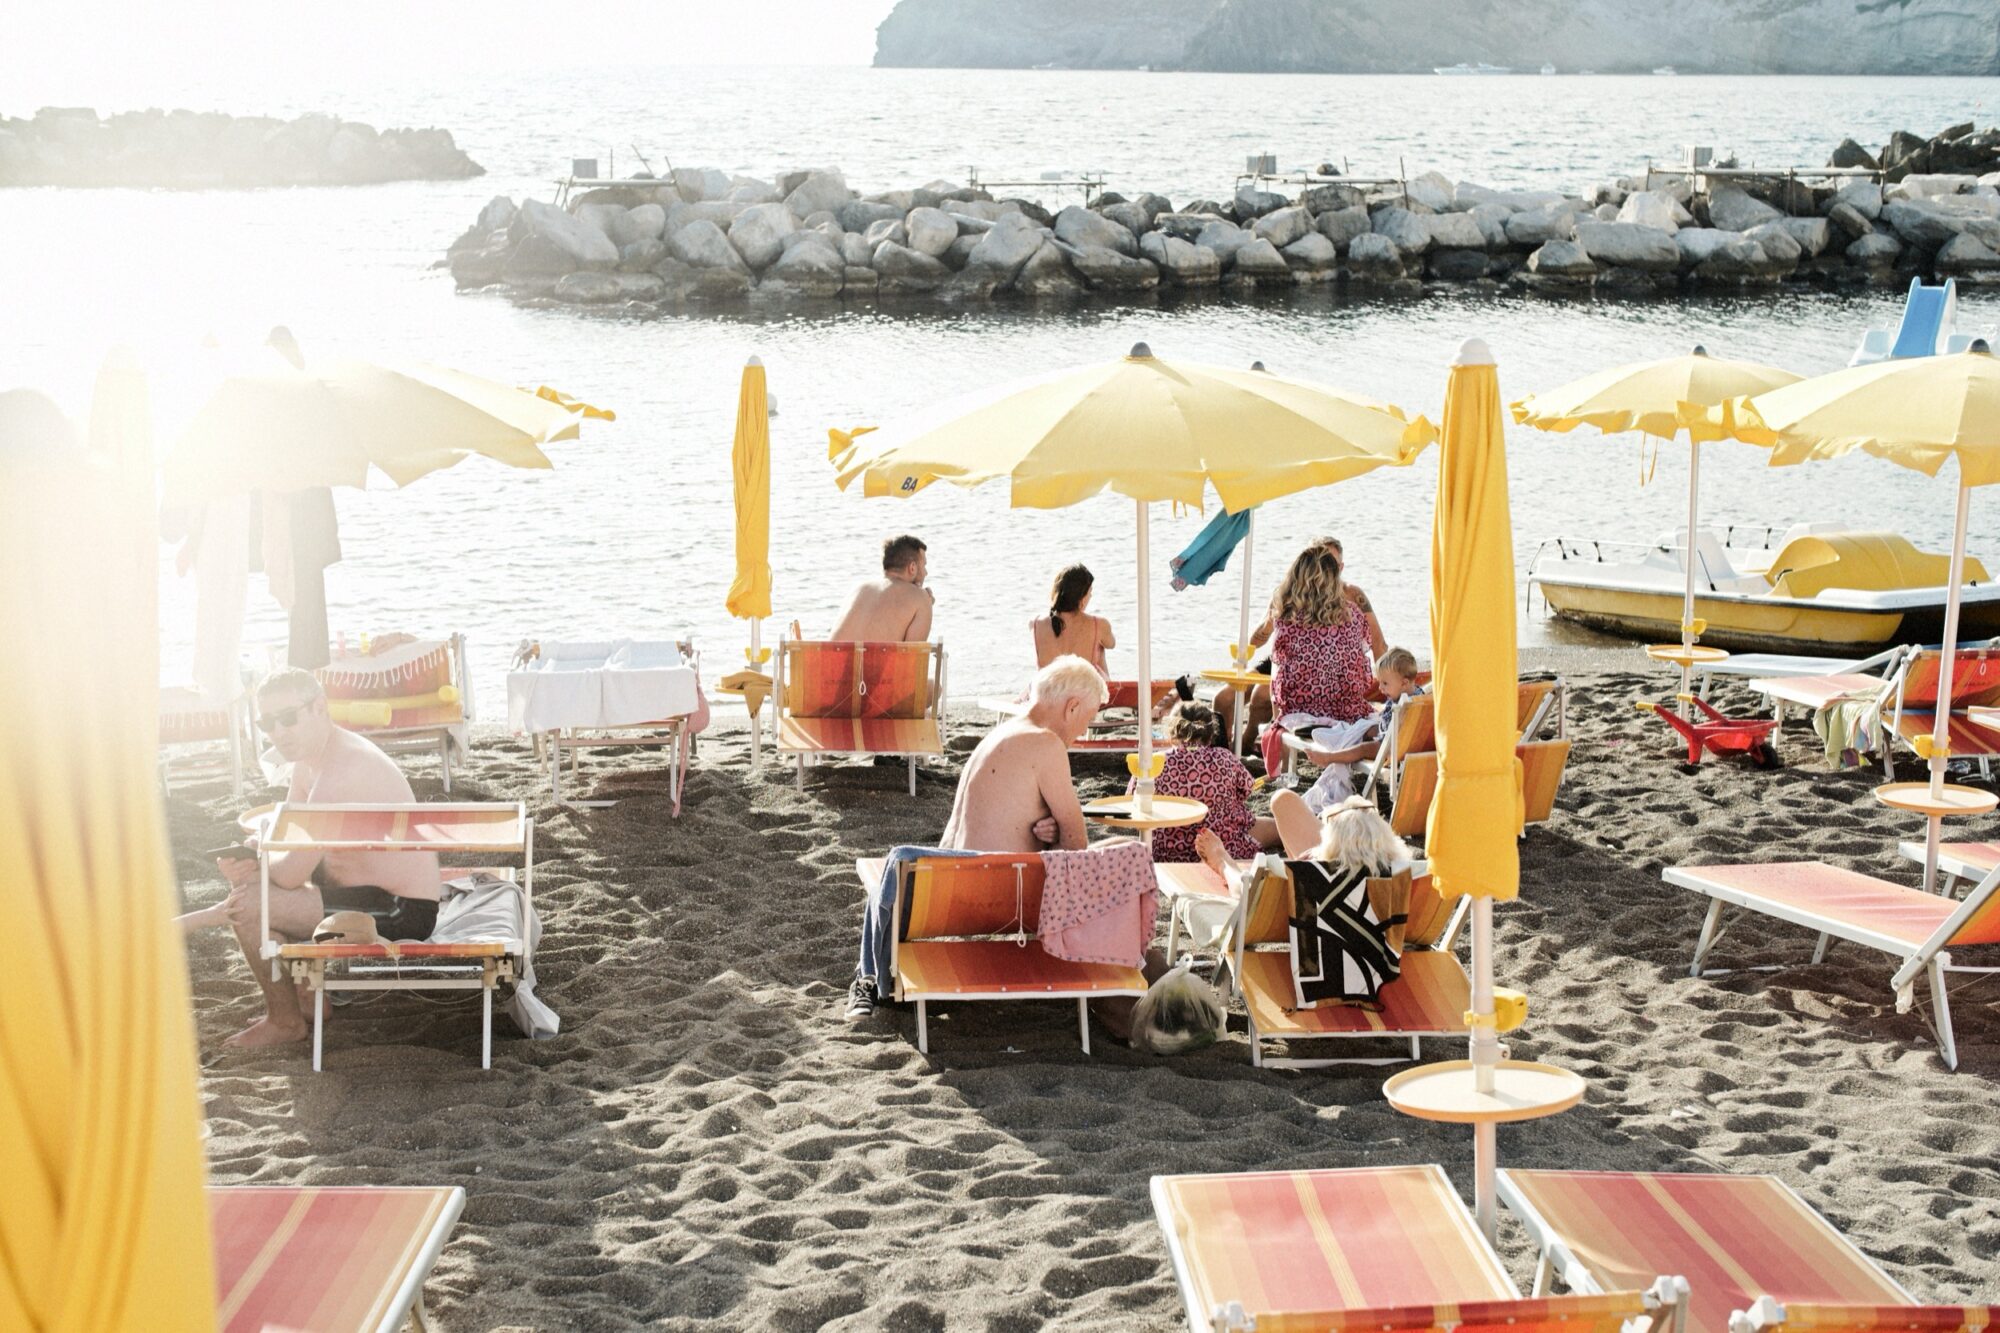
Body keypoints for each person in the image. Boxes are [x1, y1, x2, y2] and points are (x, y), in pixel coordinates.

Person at [847, 656, 1108, 1018]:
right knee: (1115, 859)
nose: (1083, 729)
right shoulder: (1047, 744)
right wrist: (1057, 835)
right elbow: (1077, 848)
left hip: (938, 894)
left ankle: (867, 978)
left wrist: (1048, 833)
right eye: (1088, 718)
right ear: (1072, 706)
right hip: (992, 903)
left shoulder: (998, 734)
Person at [215, 668, 440, 1048]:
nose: (278, 732)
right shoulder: (311, 758)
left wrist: (256, 868)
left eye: (288, 718)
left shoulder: (340, 771)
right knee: (255, 892)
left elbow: (287, 874)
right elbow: (289, 838)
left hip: (402, 907)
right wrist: (254, 863)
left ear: (320, 707)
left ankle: (285, 1022)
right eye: (266, 722)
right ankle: (307, 1000)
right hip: (357, 891)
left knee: (253, 906)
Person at [1216, 536, 1385, 740]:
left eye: (1330, 564)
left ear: (1340, 567)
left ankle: (1248, 740)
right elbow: (1263, 636)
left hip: (1324, 668)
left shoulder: (1351, 595)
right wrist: (1254, 642)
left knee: (1260, 695)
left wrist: (1387, 684)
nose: (1322, 570)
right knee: (1223, 698)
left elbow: (1378, 643)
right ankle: (1224, 750)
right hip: (1288, 658)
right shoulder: (1289, 595)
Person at [1258, 544, 1377, 776]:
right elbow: (1363, 664)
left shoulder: (1287, 619)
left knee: (1277, 668)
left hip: (1302, 710)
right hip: (1348, 710)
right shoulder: (1353, 614)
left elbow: (1280, 675)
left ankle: (1281, 771)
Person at [1136, 701, 1278, 863]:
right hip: (1221, 844)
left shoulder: (1153, 763)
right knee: (1276, 828)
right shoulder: (1224, 758)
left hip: (1167, 849)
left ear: (1171, 734)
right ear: (1211, 734)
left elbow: (1134, 801)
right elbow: (1246, 789)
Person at [1299, 647, 1426, 813]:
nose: (1380, 688)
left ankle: (1330, 757)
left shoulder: (1402, 705)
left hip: (1391, 749)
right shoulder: (1420, 696)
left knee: (1362, 748)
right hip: (1408, 743)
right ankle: (1345, 735)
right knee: (1366, 728)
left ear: (1404, 683)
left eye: (1385, 683)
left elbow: (1390, 735)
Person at [831, 534, 933, 642]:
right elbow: (912, 657)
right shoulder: (921, 598)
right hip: (875, 659)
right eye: (924, 566)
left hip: (827, 658)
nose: (926, 573)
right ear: (912, 568)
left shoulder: (858, 589)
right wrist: (925, 602)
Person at [1030, 563, 1113, 675]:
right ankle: (1109, 690)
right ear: (1082, 598)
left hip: (1047, 689)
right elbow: (1111, 644)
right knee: (1099, 647)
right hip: (1084, 690)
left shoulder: (1035, 623)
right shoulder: (1099, 624)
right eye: (1090, 592)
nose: (1091, 596)